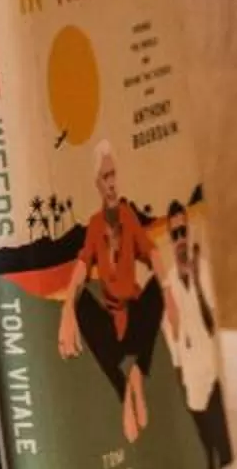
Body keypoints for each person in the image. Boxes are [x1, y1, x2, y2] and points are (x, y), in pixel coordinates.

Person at [57, 141, 171, 444]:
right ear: (97, 183)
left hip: (135, 321)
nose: (111, 183)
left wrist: (170, 296)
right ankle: (124, 389)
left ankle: (138, 372)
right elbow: (81, 268)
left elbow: (153, 254)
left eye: (113, 175)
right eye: (105, 177)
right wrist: (67, 309)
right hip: (112, 325)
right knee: (80, 305)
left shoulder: (128, 217)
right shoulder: (95, 226)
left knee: (158, 289)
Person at [158, 199, 231, 469]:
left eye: (182, 232)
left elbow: (211, 325)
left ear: (188, 232)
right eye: (174, 234)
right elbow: (172, 338)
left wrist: (197, 282)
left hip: (211, 375)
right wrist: (180, 380)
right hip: (191, 383)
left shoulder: (204, 268)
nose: (179, 240)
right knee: (207, 454)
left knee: (223, 454)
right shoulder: (169, 281)